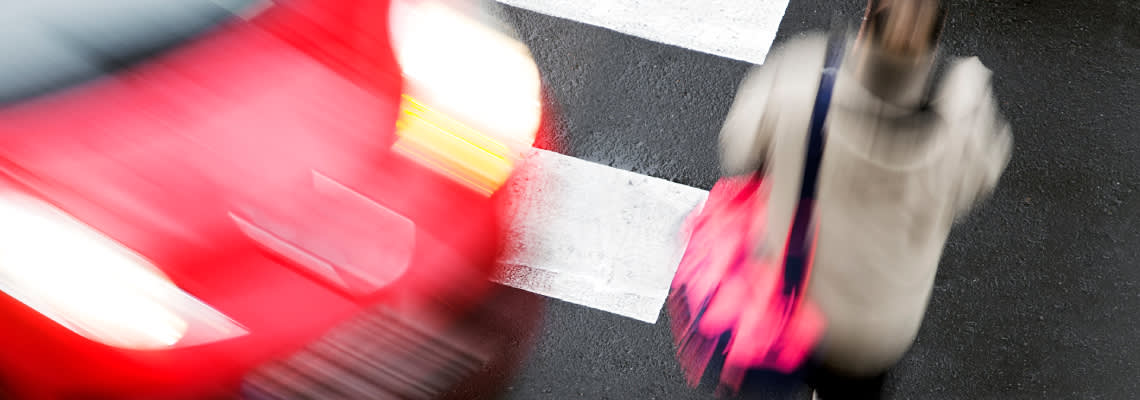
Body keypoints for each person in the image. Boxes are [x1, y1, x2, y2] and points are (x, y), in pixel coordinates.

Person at [717, 0, 1013, 397]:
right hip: (871, 335)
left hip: (785, 300)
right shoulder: (965, 119)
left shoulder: (800, 80)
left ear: (866, 19)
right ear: (937, 37)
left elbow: (738, 148)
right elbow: (975, 184)